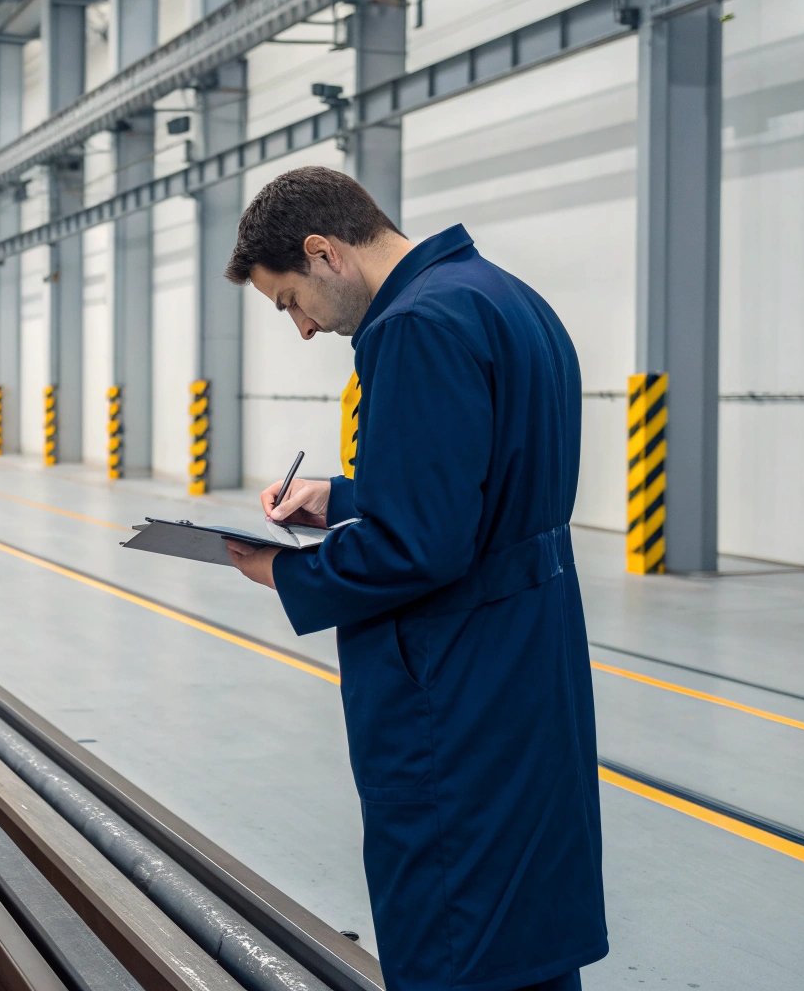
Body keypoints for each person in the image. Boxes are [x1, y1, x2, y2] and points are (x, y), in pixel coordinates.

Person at [222, 167, 608, 991]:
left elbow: (422, 547)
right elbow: (487, 485)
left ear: (323, 253)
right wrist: (342, 498)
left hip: (453, 680)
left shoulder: (413, 328)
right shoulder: (504, 299)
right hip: (530, 661)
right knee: (525, 928)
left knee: (451, 931)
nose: (300, 328)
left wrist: (284, 572)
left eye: (288, 300)